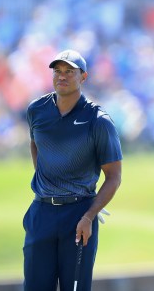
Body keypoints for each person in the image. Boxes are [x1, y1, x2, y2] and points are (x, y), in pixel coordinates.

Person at [23, 49, 123, 291]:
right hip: (42, 212)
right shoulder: (37, 110)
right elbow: (36, 144)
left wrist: (89, 214)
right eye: (57, 71)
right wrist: (49, 182)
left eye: (70, 72)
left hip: (79, 215)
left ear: (83, 77)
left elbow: (114, 177)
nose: (62, 76)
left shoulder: (98, 120)